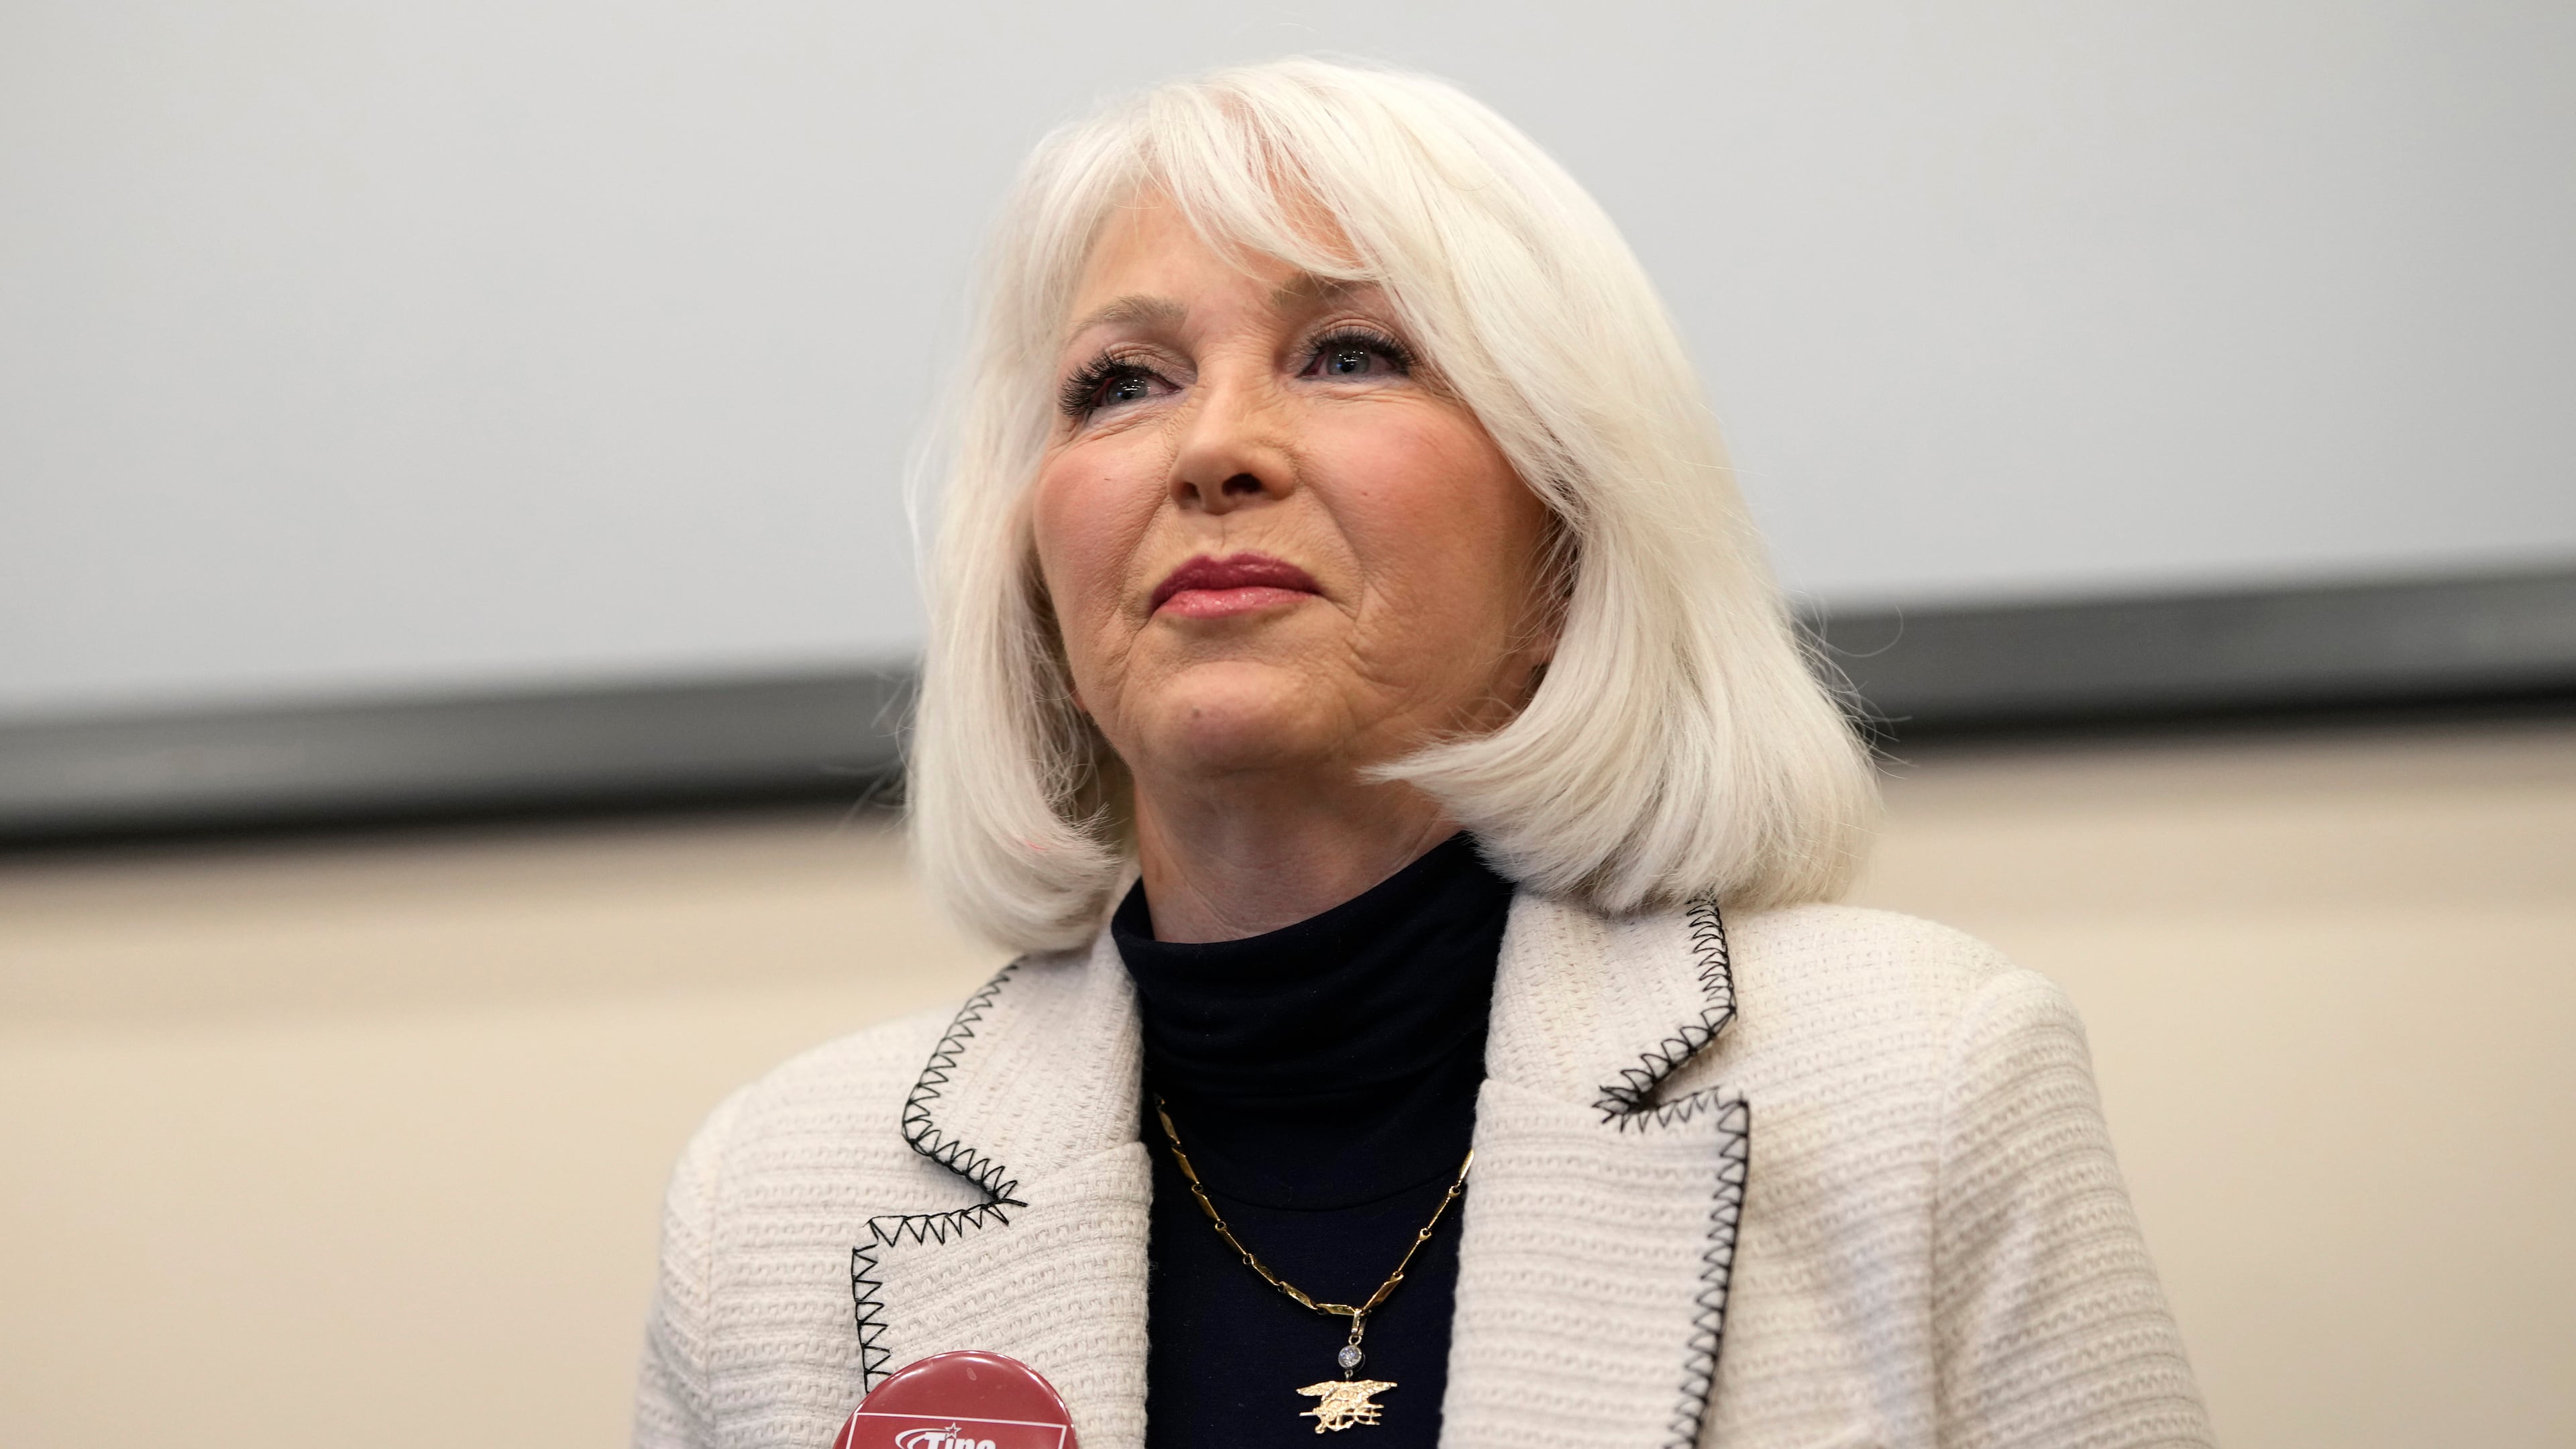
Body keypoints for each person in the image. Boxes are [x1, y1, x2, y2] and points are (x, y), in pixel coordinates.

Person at [634, 58, 2211, 1449]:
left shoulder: (1927, 1085)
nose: (1213, 449)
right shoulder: (772, 1205)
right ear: (1038, 580)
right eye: (1124, 384)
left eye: (1351, 354)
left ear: (1569, 547)